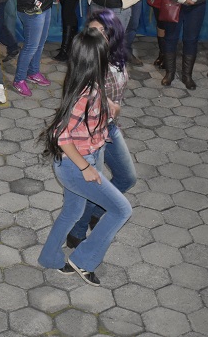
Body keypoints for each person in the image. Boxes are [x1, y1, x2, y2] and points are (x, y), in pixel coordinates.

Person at [38, 28, 132, 287]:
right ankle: (83, 261)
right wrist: (85, 168)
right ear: (96, 59)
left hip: (80, 160)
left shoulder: (85, 82)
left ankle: (49, 257)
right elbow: (59, 134)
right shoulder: (87, 94)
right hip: (76, 165)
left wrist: (110, 111)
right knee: (122, 210)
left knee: (72, 211)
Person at [66, 9, 135, 249]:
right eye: (94, 31)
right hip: (93, 134)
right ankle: (76, 233)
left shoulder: (117, 57)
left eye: (104, 31)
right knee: (94, 185)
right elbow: (80, 95)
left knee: (127, 177)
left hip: (110, 128)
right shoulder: (89, 61)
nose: (99, 36)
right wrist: (108, 105)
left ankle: (97, 211)